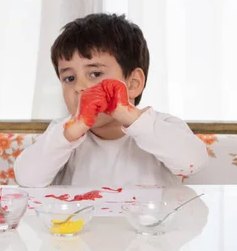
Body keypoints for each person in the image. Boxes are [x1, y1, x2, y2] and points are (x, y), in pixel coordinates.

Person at [14, 13, 208, 187]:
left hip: (150, 227)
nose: (80, 87)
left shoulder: (161, 127)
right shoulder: (63, 134)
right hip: (82, 227)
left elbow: (193, 162)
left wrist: (128, 114)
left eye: (95, 73)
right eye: (69, 78)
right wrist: (71, 131)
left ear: (132, 84)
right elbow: (27, 178)